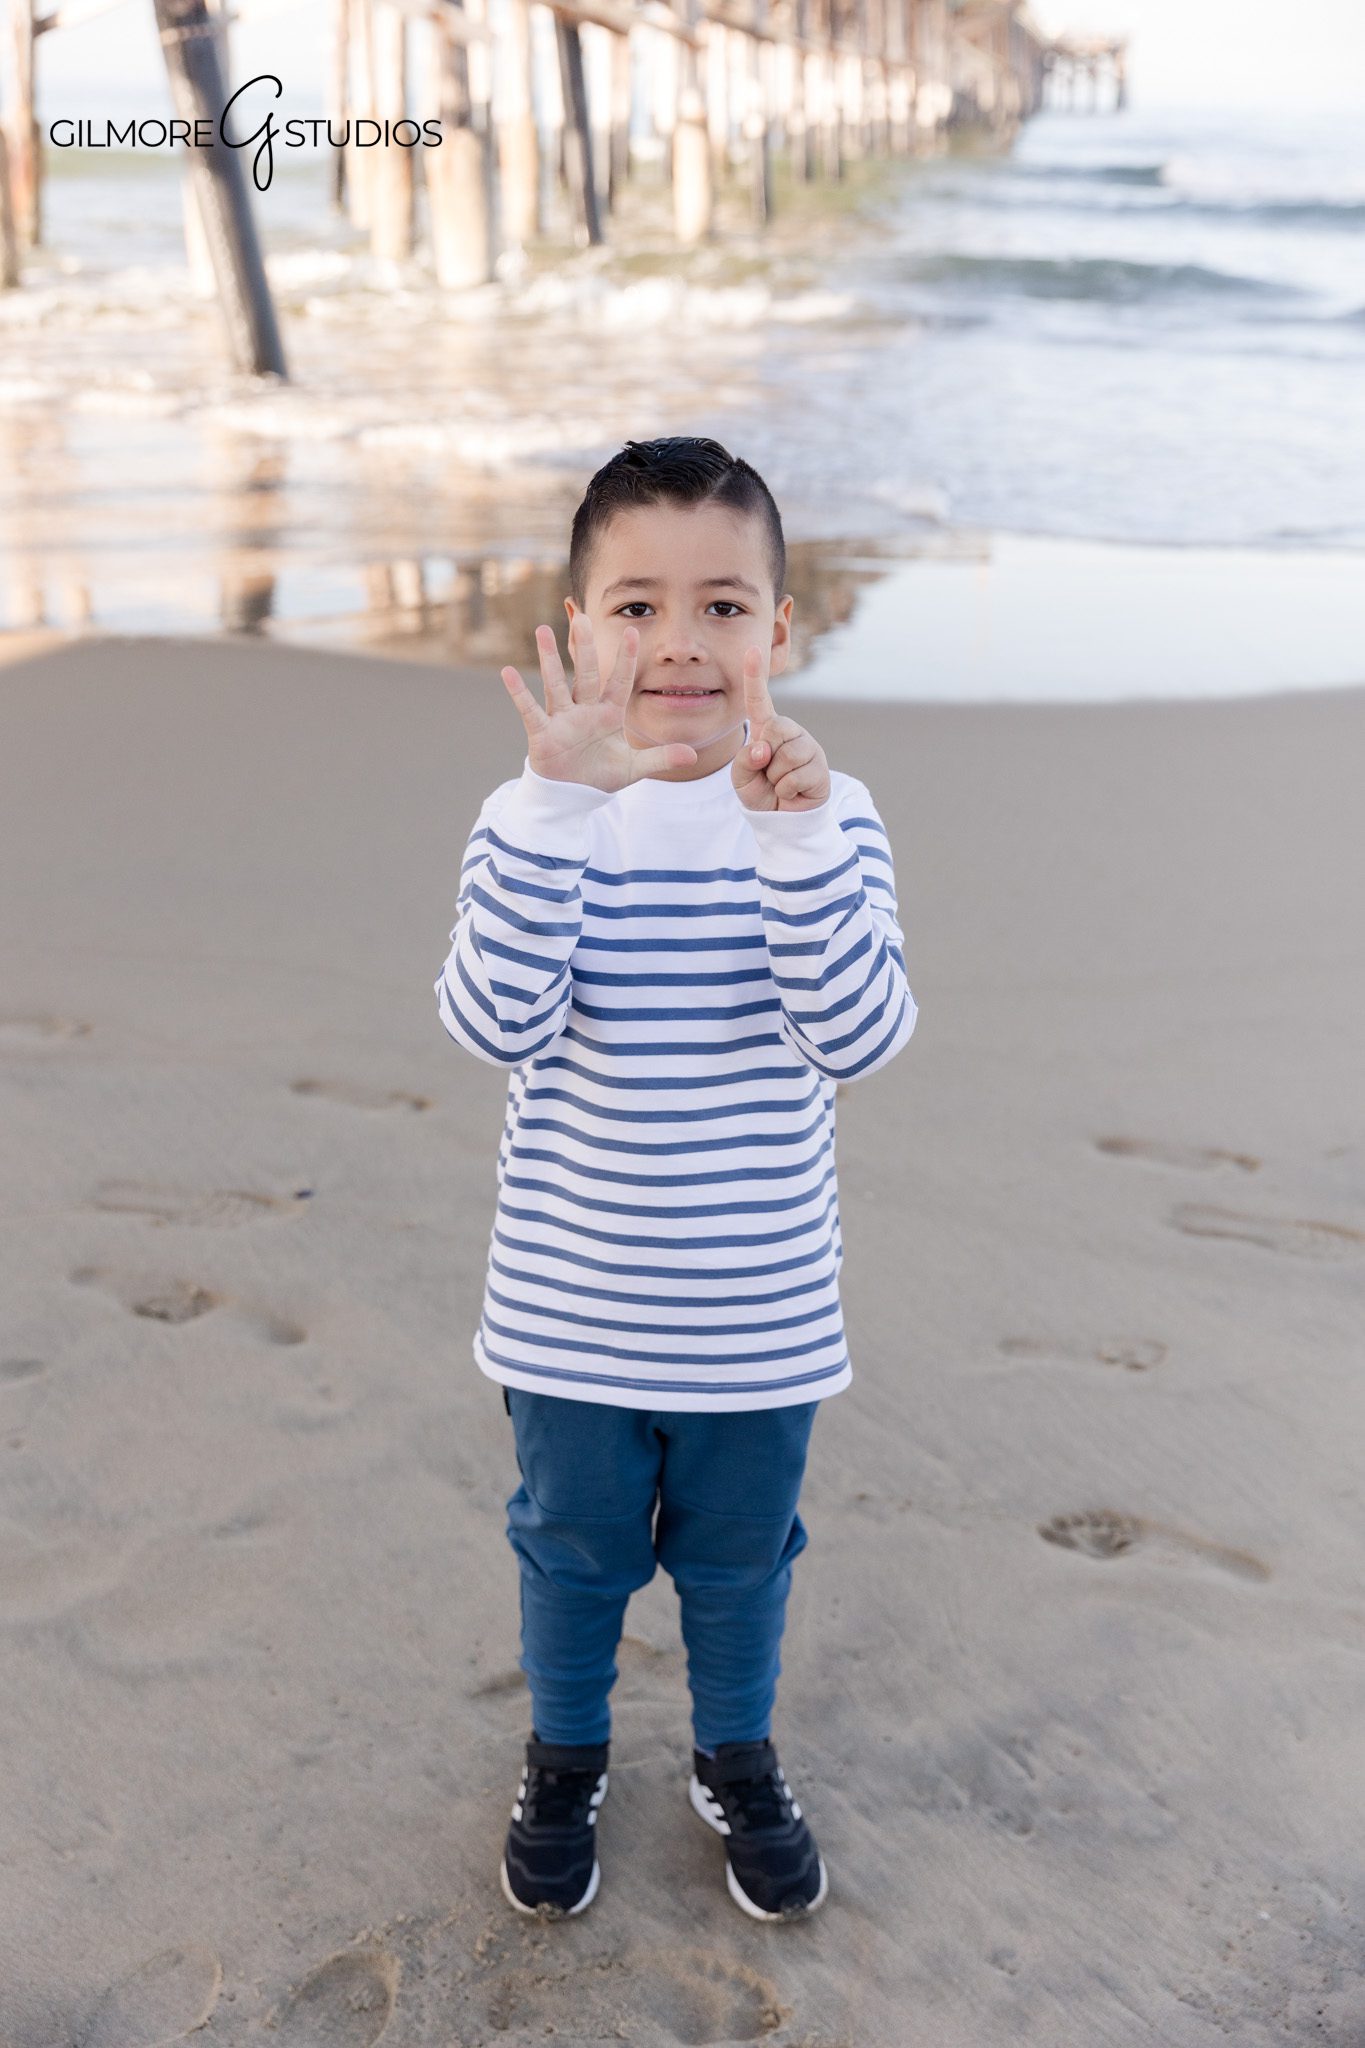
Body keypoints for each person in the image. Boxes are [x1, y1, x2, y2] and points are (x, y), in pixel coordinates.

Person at [434, 436, 917, 1922]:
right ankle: (565, 1756)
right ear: (576, 629)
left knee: (739, 1568)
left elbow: (860, 1034)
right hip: (571, 1317)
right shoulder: (543, 816)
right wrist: (555, 810)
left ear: (780, 629)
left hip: (757, 1323)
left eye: (722, 605)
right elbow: (488, 1021)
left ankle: (733, 1752)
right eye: (634, 606)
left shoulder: (825, 816)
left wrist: (788, 846)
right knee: (571, 1560)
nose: (678, 642)